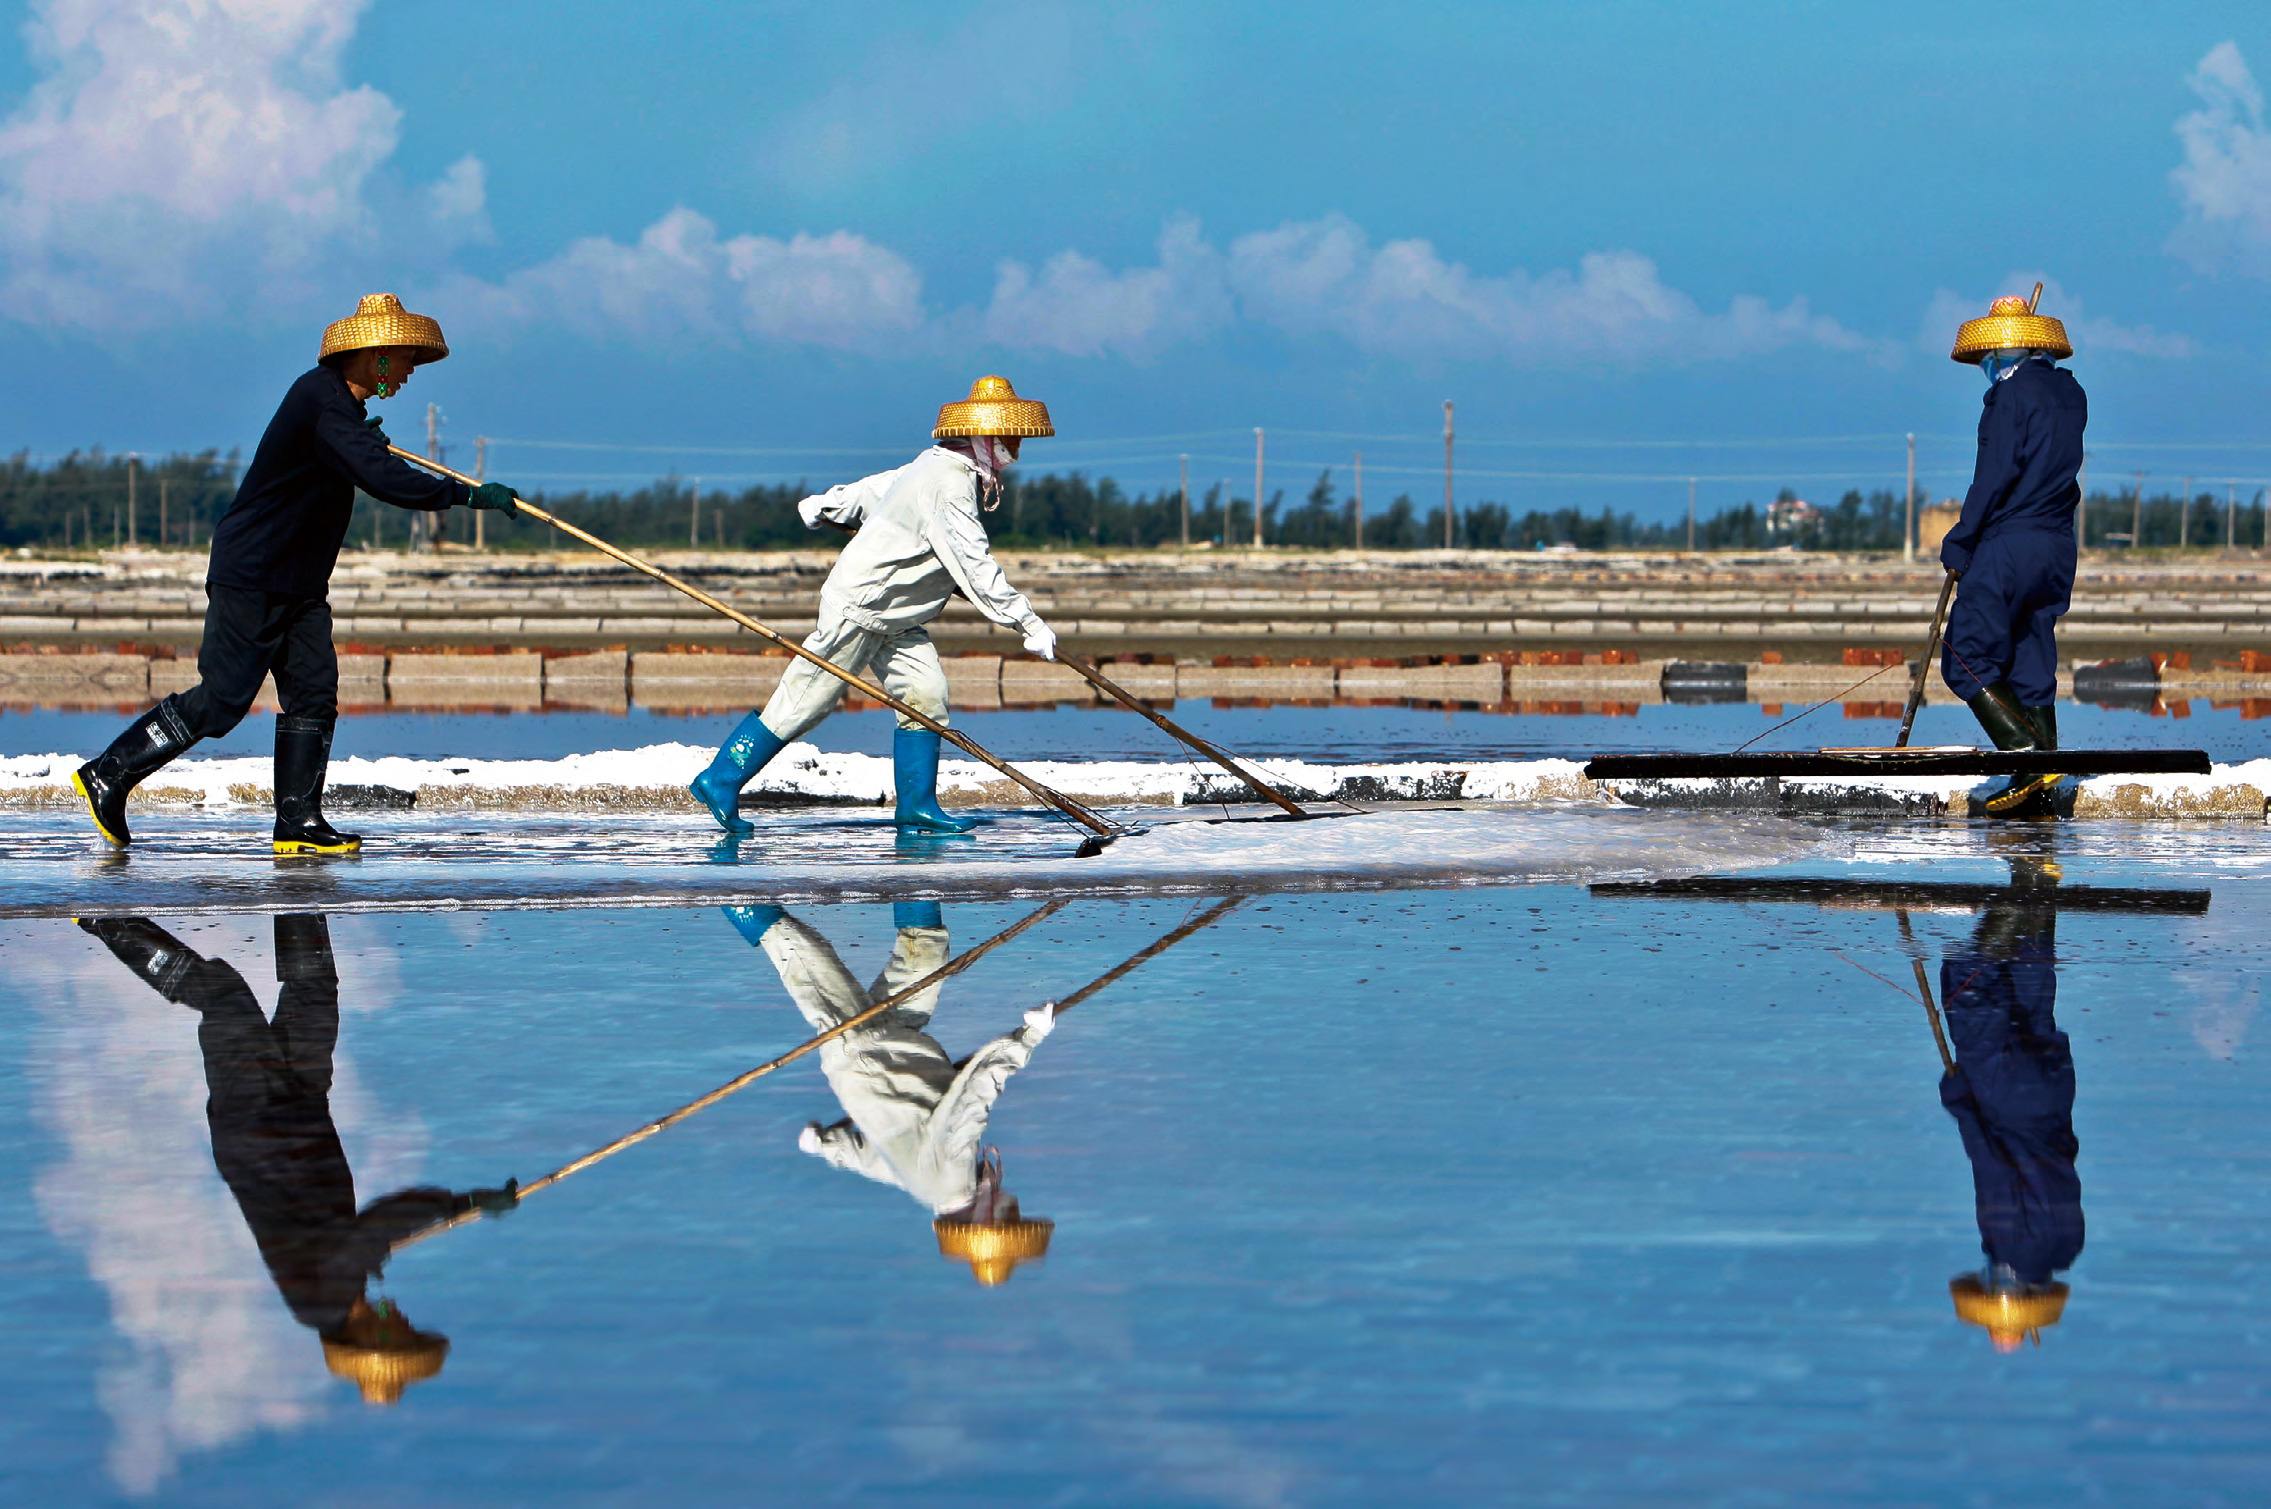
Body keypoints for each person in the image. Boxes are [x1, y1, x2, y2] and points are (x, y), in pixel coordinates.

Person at [71, 293, 520, 854]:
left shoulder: (341, 414)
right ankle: (109, 773)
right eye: (405, 359)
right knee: (223, 701)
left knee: (313, 694)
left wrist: (363, 442)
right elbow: (389, 481)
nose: (408, 373)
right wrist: (468, 494)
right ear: (376, 357)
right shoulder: (322, 401)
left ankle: (297, 823)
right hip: (254, 574)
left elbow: (363, 458)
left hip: (301, 583)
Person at [76, 912, 517, 1404]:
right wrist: (446, 1212)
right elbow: (369, 1237)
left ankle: (102, 918)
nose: (408, 1323)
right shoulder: (341, 1291)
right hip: (303, 1108)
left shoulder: (320, 1303)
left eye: (404, 1334)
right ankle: (297, 883)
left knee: (223, 997)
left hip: (256, 1126)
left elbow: (376, 1226)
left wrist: (460, 1204)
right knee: (314, 990)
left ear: (373, 1338)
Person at [688, 376, 1063, 836]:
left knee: (926, 696)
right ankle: (720, 779)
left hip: (900, 615)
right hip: (862, 606)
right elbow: (974, 563)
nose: (1015, 448)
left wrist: (832, 503)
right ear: (986, 438)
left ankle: (917, 807)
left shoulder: (937, 467)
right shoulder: (947, 483)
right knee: (806, 699)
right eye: (1010, 438)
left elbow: (879, 490)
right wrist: (1027, 622)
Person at [722, 901, 1057, 1284]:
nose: (1013, 1205)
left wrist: (1026, 1039)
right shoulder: (930, 1188)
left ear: (985, 1220)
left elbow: (972, 1099)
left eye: (1009, 1217)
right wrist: (827, 1145)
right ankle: (916, 855)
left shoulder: (952, 1181)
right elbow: (879, 1162)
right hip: (900, 1041)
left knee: (803, 955)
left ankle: (731, 887)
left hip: (865, 1052)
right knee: (924, 953)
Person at [1939, 290, 2085, 817]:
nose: (1987, 368)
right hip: (2056, 545)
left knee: (1965, 654)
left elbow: (1994, 475)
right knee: (2030, 651)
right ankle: (2044, 770)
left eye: (1988, 360)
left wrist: (1962, 538)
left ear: (2005, 354)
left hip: (2010, 542)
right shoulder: (2072, 394)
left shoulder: (2010, 397)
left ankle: (2025, 756)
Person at [1937, 850, 2083, 1351]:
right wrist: (1959, 1101)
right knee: (1967, 988)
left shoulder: (2068, 1246)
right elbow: (1992, 1165)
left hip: (2054, 1092)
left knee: (2031, 994)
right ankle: (2020, 895)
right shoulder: (2009, 1245)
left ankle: (2039, 884)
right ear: (2004, 1287)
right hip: (2007, 1099)